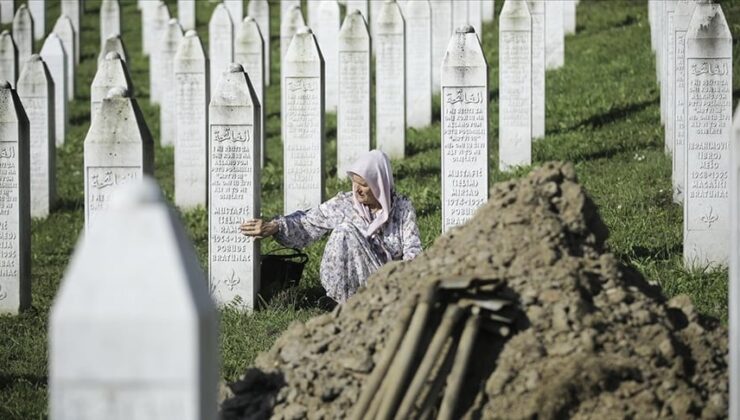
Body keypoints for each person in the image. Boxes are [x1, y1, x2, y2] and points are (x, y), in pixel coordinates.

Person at [240, 150, 422, 303]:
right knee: (345, 231)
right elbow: (308, 222)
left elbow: (413, 250)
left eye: (364, 185)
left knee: (347, 231)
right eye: (354, 183)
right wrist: (276, 226)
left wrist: (404, 284)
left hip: (386, 282)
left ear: (379, 184)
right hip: (348, 284)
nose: (357, 190)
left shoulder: (402, 209)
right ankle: (339, 300)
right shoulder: (345, 204)